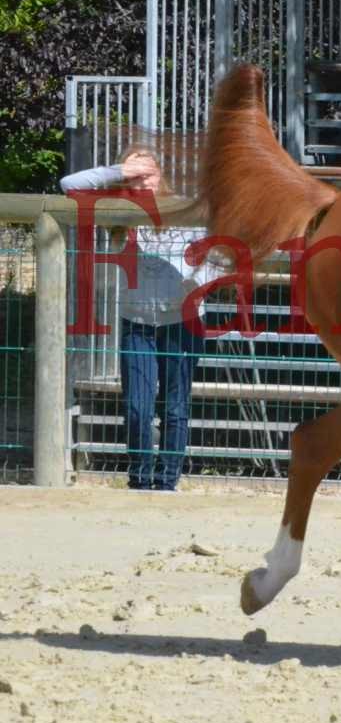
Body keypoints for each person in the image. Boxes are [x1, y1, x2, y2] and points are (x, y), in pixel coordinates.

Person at [60, 148, 219, 491]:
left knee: (175, 408)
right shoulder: (117, 214)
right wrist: (119, 169)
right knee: (137, 409)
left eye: (147, 171)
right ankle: (140, 481)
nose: (141, 179)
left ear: (161, 173)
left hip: (183, 322)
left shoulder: (184, 207)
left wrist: (203, 281)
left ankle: (167, 484)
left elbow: (217, 250)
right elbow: (68, 184)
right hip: (137, 323)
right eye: (134, 173)